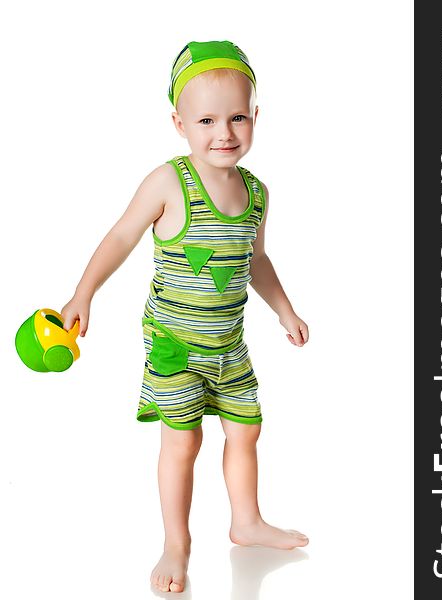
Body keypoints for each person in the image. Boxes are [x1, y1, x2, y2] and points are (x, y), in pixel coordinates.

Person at [61, 40, 309, 594]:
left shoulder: (256, 193)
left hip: (230, 347)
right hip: (174, 348)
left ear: (255, 117)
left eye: (237, 117)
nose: (224, 132)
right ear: (178, 123)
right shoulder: (170, 181)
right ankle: (177, 544)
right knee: (184, 443)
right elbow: (122, 235)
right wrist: (84, 294)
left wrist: (285, 310)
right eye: (206, 119)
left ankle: (245, 522)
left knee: (247, 431)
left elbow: (257, 259)